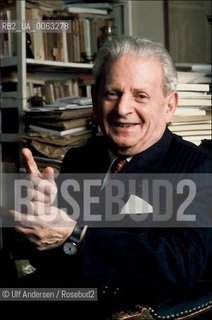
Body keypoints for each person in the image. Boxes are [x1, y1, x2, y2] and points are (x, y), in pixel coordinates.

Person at [6, 36, 212, 318]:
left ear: (169, 105)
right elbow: (56, 254)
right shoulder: (80, 159)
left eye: (141, 96)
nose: (122, 109)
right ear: (95, 101)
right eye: (112, 93)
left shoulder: (198, 167)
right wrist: (38, 218)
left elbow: (181, 265)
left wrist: (75, 232)